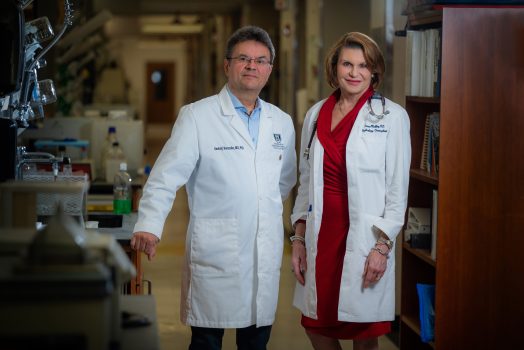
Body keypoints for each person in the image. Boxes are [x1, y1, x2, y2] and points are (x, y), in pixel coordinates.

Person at [131, 26, 296, 350]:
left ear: (270, 70)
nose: (252, 66)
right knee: (207, 339)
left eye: (261, 60)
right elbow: (165, 177)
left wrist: (257, 203)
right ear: (227, 65)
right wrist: (149, 226)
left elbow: (284, 179)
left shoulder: (281, 122)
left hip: (263, 248)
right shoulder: (197, 116)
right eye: (243, 59)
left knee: (256, 340)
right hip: (215, 247)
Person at [289, 32, 411, 350]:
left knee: (364, 332)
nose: (354, 73)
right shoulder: (315, 115)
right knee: (316, 325)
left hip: (364, 238)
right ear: (335, 67)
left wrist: (382, 248)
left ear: (374, 72)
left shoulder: (392, 117)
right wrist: (299, 238)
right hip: (322, 235)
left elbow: (398, 192)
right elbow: (305, 182)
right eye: (347, 64)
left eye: (363, 65)